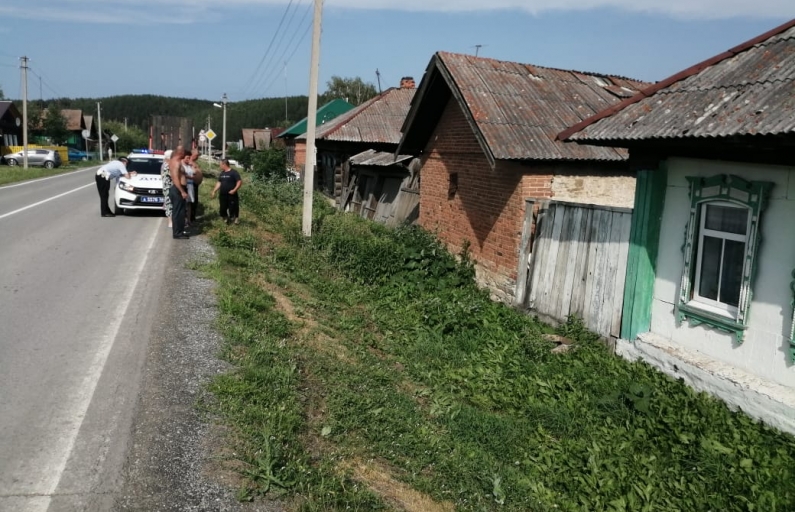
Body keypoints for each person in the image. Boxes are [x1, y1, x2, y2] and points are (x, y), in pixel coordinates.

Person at [211, 158, 242, 225]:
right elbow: (219, 182)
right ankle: (225, 217)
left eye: (220, 165)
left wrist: (234, 190)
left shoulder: (234, 172)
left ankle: (234, 219)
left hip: (231, 194)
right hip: (223, 194)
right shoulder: (222, 173)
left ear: (224, 164)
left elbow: (239, 182)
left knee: (233, 208)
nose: (220, 166)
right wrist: (214, 191)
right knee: (222, 208)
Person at [168, 146, 190, 239]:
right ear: (180, 153)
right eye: (184, 152)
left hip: (181, 188)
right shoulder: (175, 162)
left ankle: (180, 231)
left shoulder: (178, 162)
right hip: (178, 189)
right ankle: (177, 233)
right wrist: (182, 191)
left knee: (181, 212)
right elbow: (175, 178)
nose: (185, 154)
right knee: (177, 212)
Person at [161, 149, 173, 228]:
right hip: (170, 187)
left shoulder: (163, 164)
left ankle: (170, 222)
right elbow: (172, 176)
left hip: (165, 187)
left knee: (168, 204)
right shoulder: (168, 165)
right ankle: (170, 222)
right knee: (170, 205)